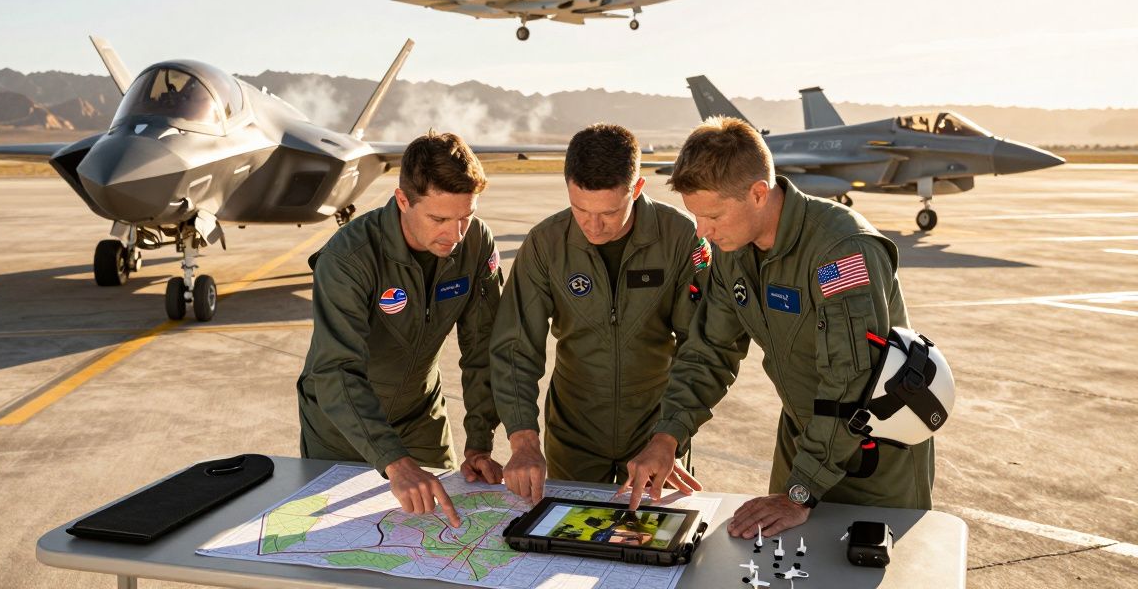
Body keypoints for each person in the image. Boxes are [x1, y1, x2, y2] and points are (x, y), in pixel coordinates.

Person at [620, 116, 935, 538]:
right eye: (697, 217)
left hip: (874, 453)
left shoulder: (840, 252)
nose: (703, 232)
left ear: (757, 194)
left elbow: (851, 382)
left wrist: (799, 492)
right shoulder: (732, 250)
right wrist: (667, 436)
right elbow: (708, 350)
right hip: (804, 442)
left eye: (713, 216)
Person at [492, 123, 711, 501]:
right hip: (573, 430)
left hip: (655, 427)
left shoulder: (681, 238)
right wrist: (522, 437)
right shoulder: (545, 244)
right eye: (580, 210)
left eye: (610, 212)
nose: (593, 226)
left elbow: (702, 346)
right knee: (563, 534)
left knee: (652, 542)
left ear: (638, 188)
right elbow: (515, 347)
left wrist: (671, 433)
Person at [296, 131, 505, 528]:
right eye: (439, 219)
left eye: (466, 216)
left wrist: (479, 442)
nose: (455, 235)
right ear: (403, 200)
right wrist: (395, 462)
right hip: (342, 428)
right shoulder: (349, 258)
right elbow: (336, 370)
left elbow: (484, 348)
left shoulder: (476, 243)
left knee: (444, 531)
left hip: (420, 416)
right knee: (339, 545)